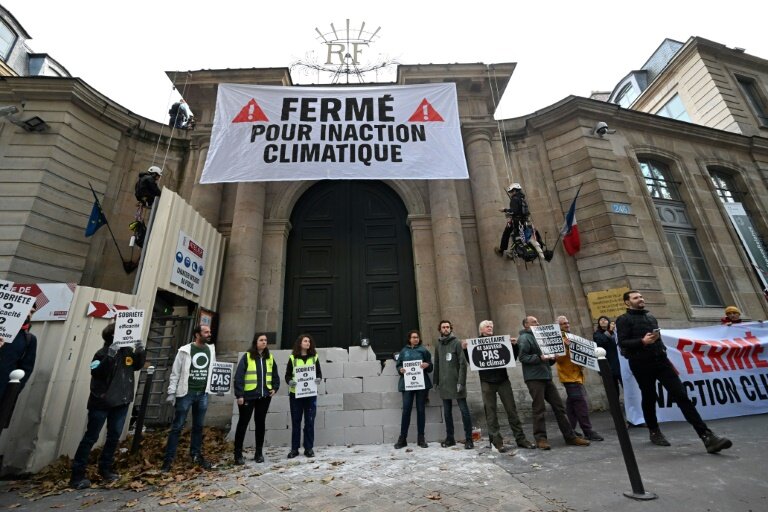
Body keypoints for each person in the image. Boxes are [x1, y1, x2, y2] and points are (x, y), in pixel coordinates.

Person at [616, 290, 732, 453]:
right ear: (627, 302)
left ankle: (707, 436)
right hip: (641, 364)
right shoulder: (623, 319)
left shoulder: (650, 317)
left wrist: (664, 355)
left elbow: (659, 341)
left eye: (641, 296)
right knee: (649, 397)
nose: (641, 299)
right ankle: (654, 431)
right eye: (636, 298)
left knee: (682, 396)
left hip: (661, 363)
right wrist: (642, 341)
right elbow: (623, 343)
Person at [70, 324, 146, 489]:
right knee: (91, 437)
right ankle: (77, 475)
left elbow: (136, 365)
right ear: (113, 336)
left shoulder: (127, 352)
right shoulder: (101, 353)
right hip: (101, 402)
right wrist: (110, 356)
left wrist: (140, 351)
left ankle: (105, 469)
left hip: (121, 401)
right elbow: (96, 371)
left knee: (113, 436)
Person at [517, 315, 590, 450]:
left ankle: (570, 436)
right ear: (526, 325)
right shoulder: (524, 338)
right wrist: (539, 357)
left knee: (559, 407)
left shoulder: (541, 337)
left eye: (537, 321)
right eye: (534, 322)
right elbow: (523, 357)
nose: (538, 323)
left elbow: (548, 359)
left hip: (546, 376)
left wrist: (552, 358)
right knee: (539, 408)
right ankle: (541, 439)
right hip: (534, 378)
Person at [473, 320, 535, 452]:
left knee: (512, 410)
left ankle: (521, 439)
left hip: (503, 380)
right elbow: (472, 360)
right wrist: (465, 349)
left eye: (491, 326)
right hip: (487, 381)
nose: (490, 328)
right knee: (491, 413)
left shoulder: (500, 341)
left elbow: (512, 357)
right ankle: (496, 442)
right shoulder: (476, 344)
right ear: (481, 330)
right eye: (487, 327)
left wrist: (514, 346)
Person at [162, 325, 217, 471]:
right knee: (177, 427)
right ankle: (168, 460)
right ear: (197, 334)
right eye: (206, 332)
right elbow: (176, 372)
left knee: (198, 427)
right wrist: (171, 392)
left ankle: (196, 456)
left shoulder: (211, 350)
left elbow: (213, 370)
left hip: (202, 394)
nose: (209, 334)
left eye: (209, 332)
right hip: (186, 393)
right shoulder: (185, 350)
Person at [233, 333, 280, 465]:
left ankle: (258, 453)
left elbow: (275, 375)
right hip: (248, 396)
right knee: (243, 424)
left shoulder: (269, 357)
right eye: (261, 340)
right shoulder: (247, 357)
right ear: (255, 342)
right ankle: (237, 454)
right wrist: (239, 395)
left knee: (260, 424)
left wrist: (275, 388)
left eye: (265, 340)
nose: (264, 342)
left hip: (264, 396)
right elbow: (239, 376)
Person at [555, 316, 603, 441]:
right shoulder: (558, 339)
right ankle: (588, 431)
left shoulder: (571, 337)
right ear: (558, 326)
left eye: (567, 322)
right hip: (569, 377)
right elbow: (558, 359)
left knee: (572, 406)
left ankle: (570, 431)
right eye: (563, 323)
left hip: (576, 376)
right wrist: (566, 347)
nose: (567, 325)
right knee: (581, 404)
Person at [432, 320, 473, 449]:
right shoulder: (438, 344)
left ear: (451, 328)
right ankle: (450, 438)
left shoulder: (457, 343)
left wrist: (461, 382)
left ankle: (469, 439)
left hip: (456, 383)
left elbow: (462, 364)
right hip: (444, 383)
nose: (446, 329)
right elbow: (437, 363)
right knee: (447, 413)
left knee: (464, 411)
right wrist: (435, 381)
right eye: (443, 327)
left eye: (448, 327)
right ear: (440, 329)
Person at [285, 334, 322, 458]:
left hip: (310, 395)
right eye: (305, 341)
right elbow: (287, 375)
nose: (308, 343)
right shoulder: (293, 358)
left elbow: (319, 373)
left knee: (309, 422)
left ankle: (309, 448)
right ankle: (294, 449)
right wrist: (290, 381)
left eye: (309, 341)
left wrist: (318, 379)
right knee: (296, 422)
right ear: (300, 343)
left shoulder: (314, 357)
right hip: (296, 395)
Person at [394, 330, 433, 449]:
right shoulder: (403, 351)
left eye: (417, 337)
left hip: (421, 385)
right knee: (406, 410)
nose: (416, 339)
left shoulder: (423, 350)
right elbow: (398, 365)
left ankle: (421, 438)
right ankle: (403, 438)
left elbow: (430, 365)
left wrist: (427, 365)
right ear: (409, 339)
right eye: (413, 337)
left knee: (421, 410)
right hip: (407, 385)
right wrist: (400, 369)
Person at [0, 303, 36, 401]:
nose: (29, 314)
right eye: (26, 310)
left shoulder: (29, 339)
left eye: (32, 312)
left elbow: (26, 369)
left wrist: (13, 391)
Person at [496, 183, 529, 257]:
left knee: (506, 234)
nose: (510, 193)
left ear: (514, 191)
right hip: (523, 221)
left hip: (516, 221)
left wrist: (504, 210)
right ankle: (513, 253)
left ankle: (501, 251)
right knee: (517, 236)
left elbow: (513, 211)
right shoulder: (522, 199)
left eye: (511, 192)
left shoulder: (514, 199)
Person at [593, 315, 621, 394]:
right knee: (613, 390)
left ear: (608, 322)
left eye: (605, 319)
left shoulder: (615, 333)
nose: (603, 321)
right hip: (608, 365)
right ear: (599, 323)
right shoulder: (597, 334)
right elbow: (601, 341)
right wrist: (609, 331)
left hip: (618, 364)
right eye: (601, 320)